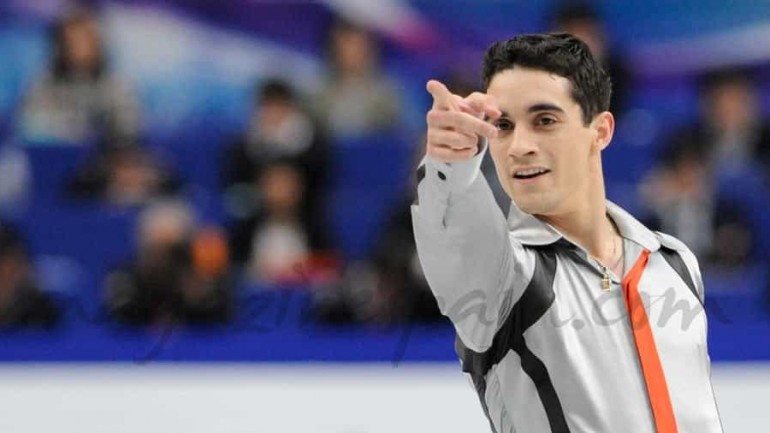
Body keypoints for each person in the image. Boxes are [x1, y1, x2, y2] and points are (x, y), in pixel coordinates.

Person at [413, 33, 722, 432]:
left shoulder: (675, 262)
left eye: (544, 121)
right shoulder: (505, 277)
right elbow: (453, 232)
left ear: (601, 130)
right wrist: (449, 167)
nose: (519, 146)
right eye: (502, 126)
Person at [20, 8, 141, 146]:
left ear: (97, 44)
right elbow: (31, 128)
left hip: (103, 159)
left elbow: (130, 128)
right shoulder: (42, 86)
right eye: (70, 41)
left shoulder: (117, 85)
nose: (77, 48)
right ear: (59, 45)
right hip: (55, 159)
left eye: (84, 40)